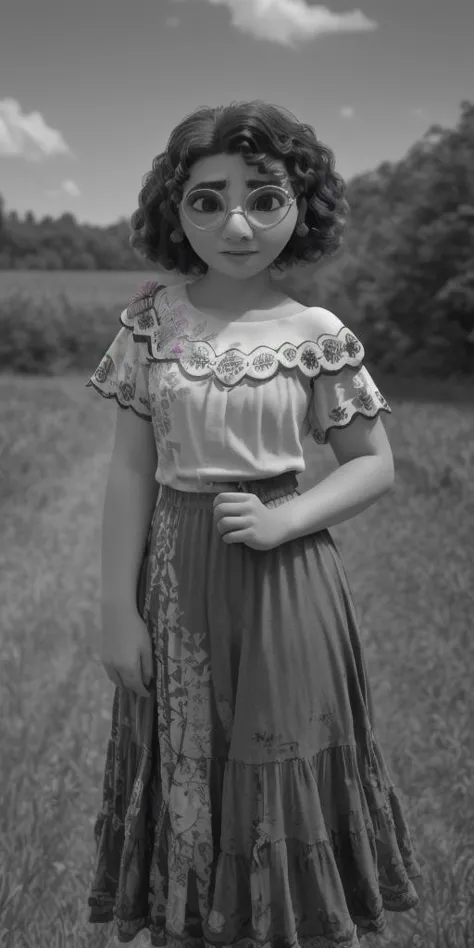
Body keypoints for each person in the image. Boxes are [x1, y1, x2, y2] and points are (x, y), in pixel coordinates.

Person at [85, 100, 423, 948]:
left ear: (300, 205)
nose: (237, 222)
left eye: (264, 197)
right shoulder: (150, 324)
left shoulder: (317, 335)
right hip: (174, 581)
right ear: (175, 208)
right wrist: (115, 609)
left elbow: (374, 460)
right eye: (209, 199)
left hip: (287, 581)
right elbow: (129, 470)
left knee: (280, 756)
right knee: (186, 760)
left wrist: (286, 519)